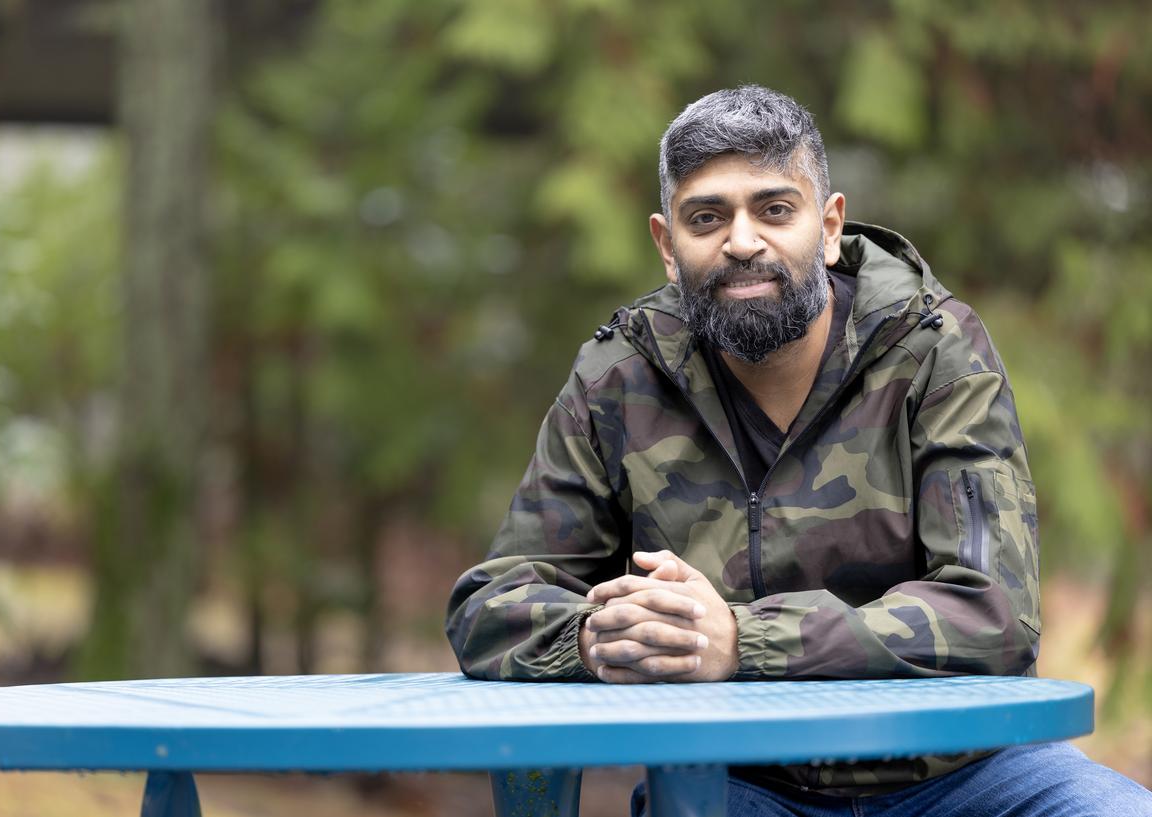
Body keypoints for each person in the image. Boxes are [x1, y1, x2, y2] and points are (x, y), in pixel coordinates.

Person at [446, 85, 1152, 815]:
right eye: (707, 217)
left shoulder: (934, 352)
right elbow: (491, 605)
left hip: (964, 773)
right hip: (742, 782)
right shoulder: (618, 380)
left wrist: (738, 642)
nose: (742, 240)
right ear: (666, 245)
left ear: (830, 225)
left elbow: (993, 614)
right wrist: (604, 639)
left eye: (774, 209)